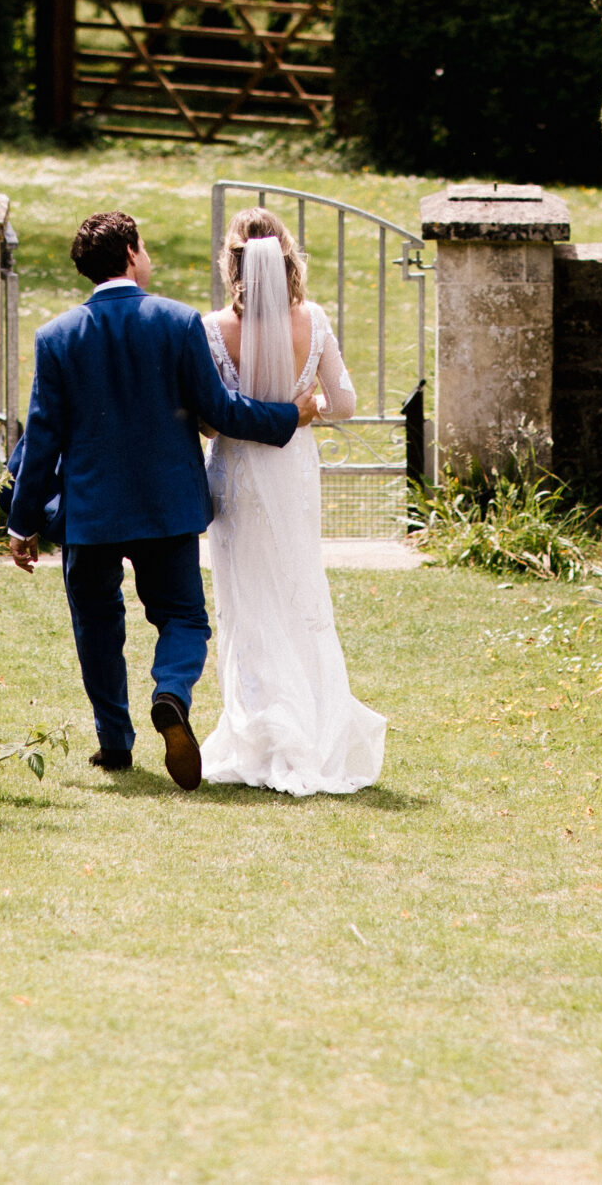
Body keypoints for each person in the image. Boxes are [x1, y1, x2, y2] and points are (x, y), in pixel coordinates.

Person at [5, 212, 320, 790]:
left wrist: (22, 524)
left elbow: (41, 437)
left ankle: (115, 744)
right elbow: (222, 411)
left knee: (96, 626)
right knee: (182, 617)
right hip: (167, 507)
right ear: (129, 253)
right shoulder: (178, 322)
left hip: (89, 514)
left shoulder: (55, 336)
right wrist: (288, 415)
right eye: (143, 245)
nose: (147, 255)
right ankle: (171, 693)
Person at [197, 211, 387, 795]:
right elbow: (348, 402)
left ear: (234, 264)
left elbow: (208, 421)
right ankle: (305, 723)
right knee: (297, 588)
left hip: (236, 473)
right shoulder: (317, 319)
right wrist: (312, 404)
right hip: (294, 470)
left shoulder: (211, 328)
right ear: (287, 259)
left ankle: (256, 727)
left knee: (245, 598)